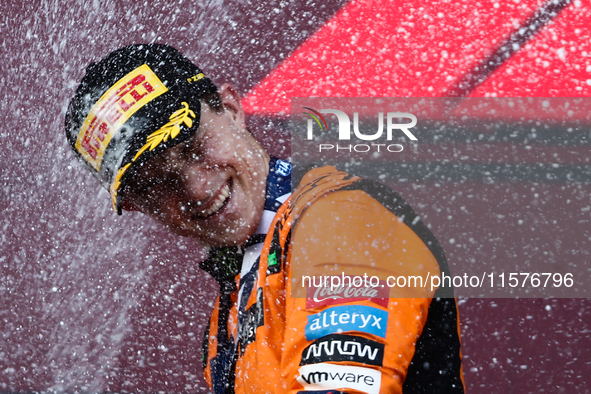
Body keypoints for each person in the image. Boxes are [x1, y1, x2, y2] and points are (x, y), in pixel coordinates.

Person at [65, 44, 464, 394]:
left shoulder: (337, 217)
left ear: (233, 109)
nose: (198, 189)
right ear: (137, 206)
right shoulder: (227, 314)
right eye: (160, 182)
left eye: (192, 147)